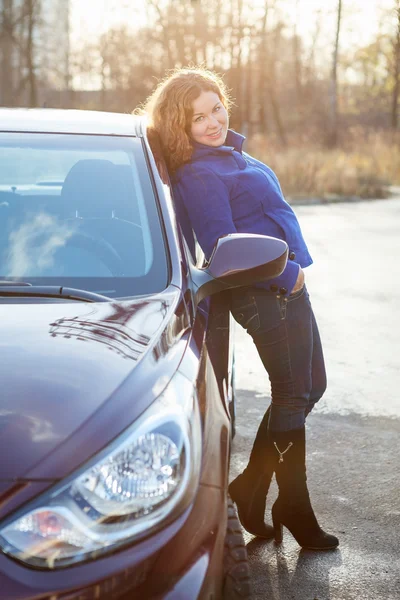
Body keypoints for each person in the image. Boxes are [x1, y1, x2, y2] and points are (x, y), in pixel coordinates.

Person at [139, 67, 339, 551]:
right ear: (179, 126)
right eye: (197, 118)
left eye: (216, 108)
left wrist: (294, 271)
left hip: (284, 283)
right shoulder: (200, 173)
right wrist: (288, 274)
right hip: (260, 289)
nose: (212, 122)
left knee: (312, 386)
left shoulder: (231, 156)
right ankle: (293, 504)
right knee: (293, 394)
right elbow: (223, 246)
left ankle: (250, 485)